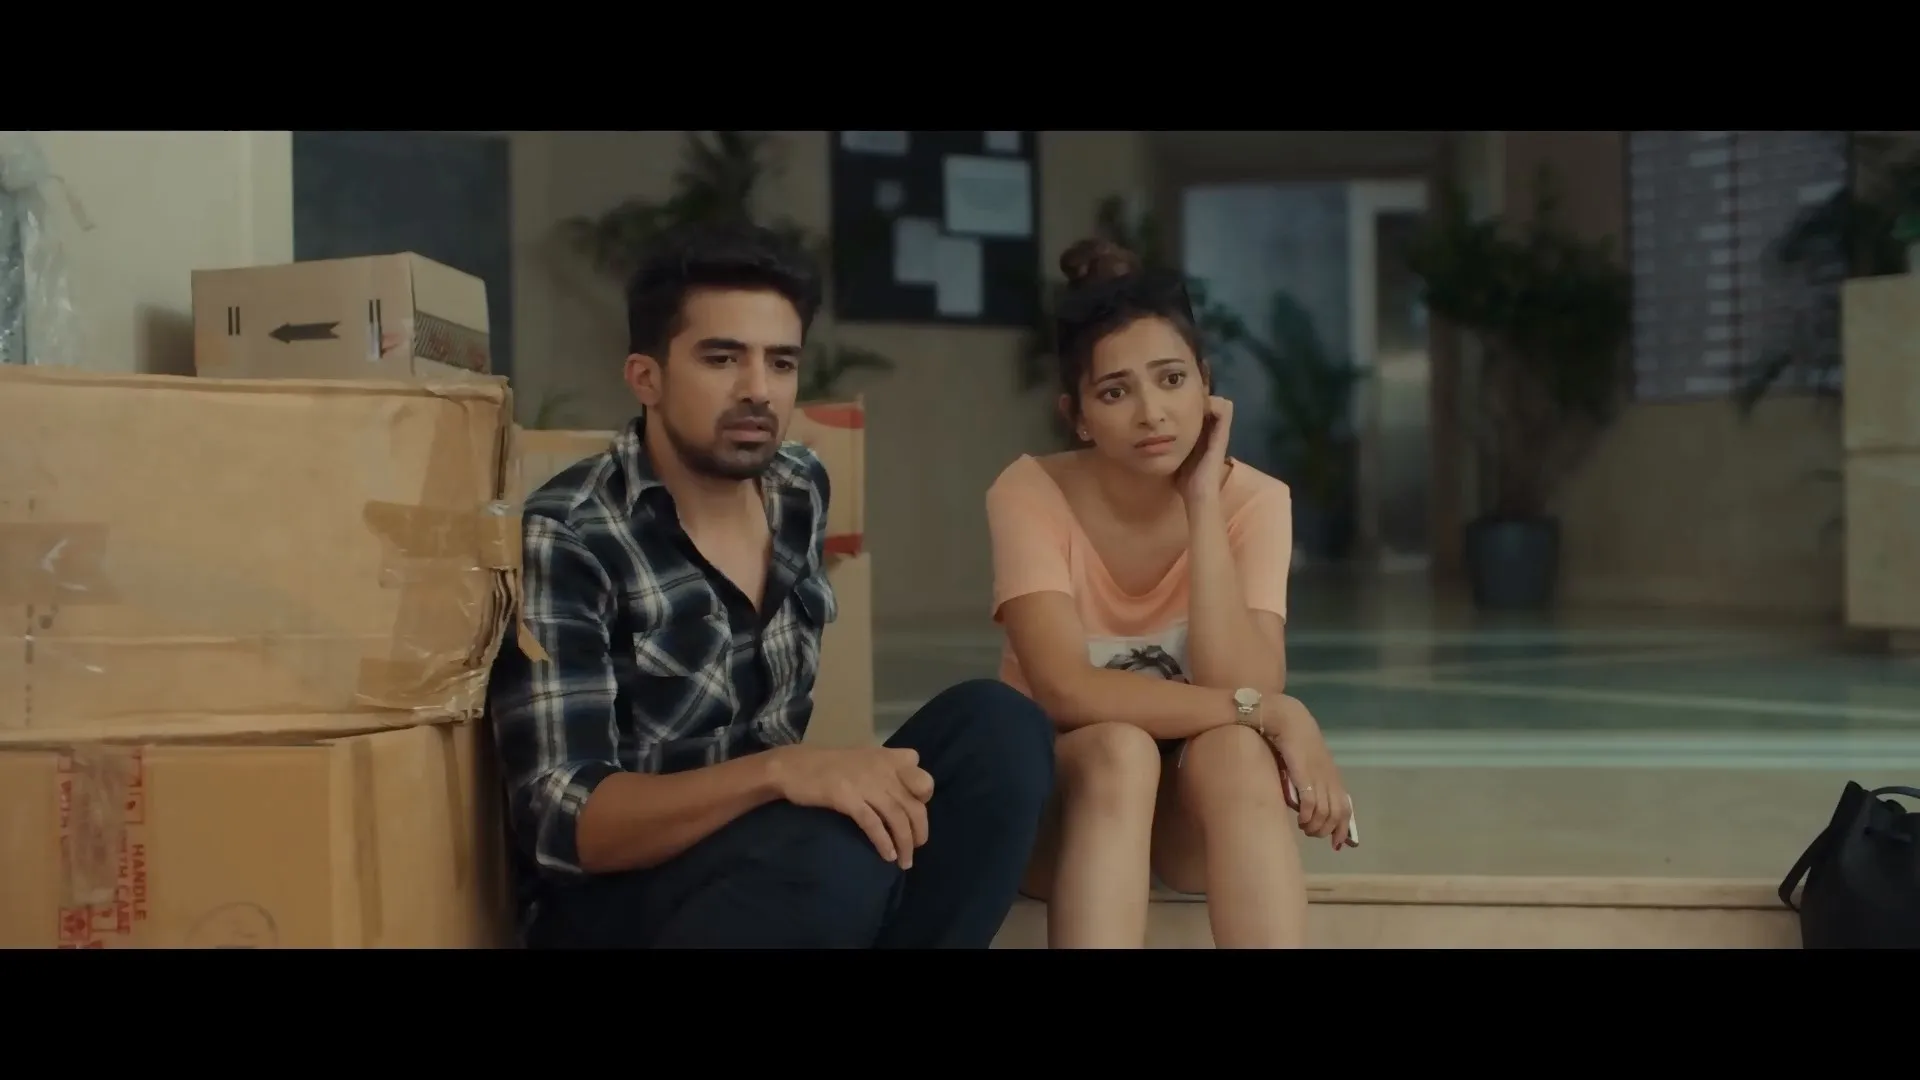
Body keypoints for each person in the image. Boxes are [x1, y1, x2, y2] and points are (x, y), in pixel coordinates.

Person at [490, 222, 1054, 949]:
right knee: (830, 853)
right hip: (619, 901)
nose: (758, 390)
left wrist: (797, 781)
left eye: (780, 362)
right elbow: (563, 822)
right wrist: (781, 772)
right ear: (646, 377)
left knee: (1000, 728)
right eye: (722, 358)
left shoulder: (797, 486)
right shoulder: (569, 535)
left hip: (769, 865)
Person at [986, 237, 1356, 950]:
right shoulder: (1029, 492)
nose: (1152, 413)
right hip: (1062, 808)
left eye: (1172, 380)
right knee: (1121, 750)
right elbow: (1064, 690)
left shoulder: (1256, 500)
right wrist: (1269, 711)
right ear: (1077, 415)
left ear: (1206, 386)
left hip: (1193, 818)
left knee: (1238, 752)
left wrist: (1202, 503)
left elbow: (1242, 679)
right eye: (1115, 392)